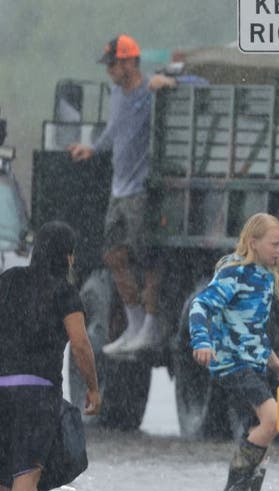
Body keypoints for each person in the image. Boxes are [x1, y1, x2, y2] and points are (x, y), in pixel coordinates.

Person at [66, 34, 195, 356]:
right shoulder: (116, 94)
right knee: (113, 256)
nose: (108, 70)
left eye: (112, 64)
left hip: (140, 191)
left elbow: (197, 82)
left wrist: (170, 81)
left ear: (129, 62)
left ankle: (151, 325)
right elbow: (114, 130)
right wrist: (92, 149)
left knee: (146, 259)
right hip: (118, 190)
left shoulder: (150, 90)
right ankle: (135, 323)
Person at [0, 222, 102, 491]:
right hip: (36, 390)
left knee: (2, 476)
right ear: (68, 255)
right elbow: (80, 343)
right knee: (26, 474)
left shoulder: (8, 280)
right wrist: (92, 386)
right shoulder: (64, 291)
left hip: (1, 386)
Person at [189, 213, 279, 491]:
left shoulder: (266, 277)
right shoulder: (234, 272)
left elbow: (252, 328)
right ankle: (234, 490)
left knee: (260, 430)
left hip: (255, 363)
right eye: (275, 244)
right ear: (253, 243)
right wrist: (202, 341)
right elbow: (200, 305)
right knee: (274, 419)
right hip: (233, 363)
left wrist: (275, 362)